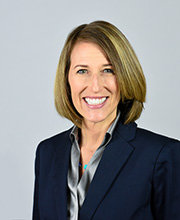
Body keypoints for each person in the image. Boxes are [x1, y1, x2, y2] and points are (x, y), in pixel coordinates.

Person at [32, 20, 180, 220]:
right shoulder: (47, 153)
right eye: (82, 71)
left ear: (126, 77)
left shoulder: (162, 155)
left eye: (108, 70)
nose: (95, 86)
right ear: (67, 79)